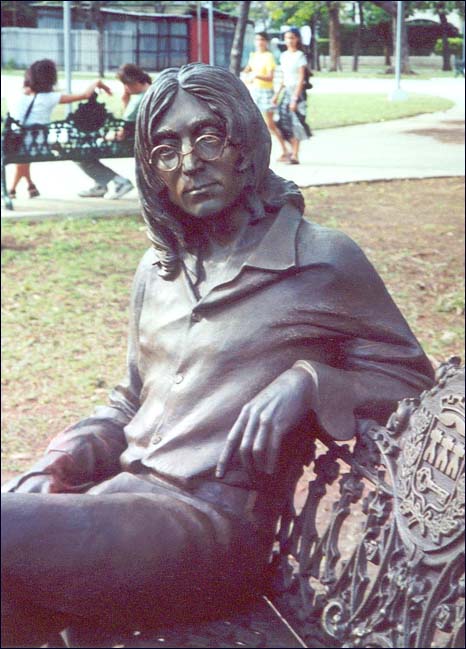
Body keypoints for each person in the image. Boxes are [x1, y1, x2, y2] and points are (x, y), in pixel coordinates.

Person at [1, 63, 434, 648]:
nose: (189, 162)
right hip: (124, 502)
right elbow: (130, 399)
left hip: (214, 532)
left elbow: (410, 377)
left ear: (247, 144)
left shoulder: (320, 259)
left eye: (208, 137)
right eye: (164, 148)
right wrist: (65, 455)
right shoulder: (158, 270)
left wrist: (310, 380)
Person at [8, 59, 112, 199]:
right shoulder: (52, 97)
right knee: (25, 153)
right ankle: (25, 186)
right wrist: (97, 82)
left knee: (22, 152)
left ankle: (15, 189)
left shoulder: (16, 96)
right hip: (41, 147)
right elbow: (85, 95)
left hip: (15, 145)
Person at [77, 63, 152, 200]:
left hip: (131, 143)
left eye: (124, 84)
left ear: (132, 82)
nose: (124, 87)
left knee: (80, 154)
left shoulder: (138, 100)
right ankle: (101, 183)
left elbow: (123, 131)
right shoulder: (153, 92)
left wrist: (109, 136)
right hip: (147, 140)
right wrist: (125, 99)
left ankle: (118, 182)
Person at [243, 32, 290, 162]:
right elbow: (248, 69)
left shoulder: (269, 57)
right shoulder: (253, 55)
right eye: (257, 39)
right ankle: (255, 154)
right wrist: (247, 74)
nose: (259, 42)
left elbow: (270, 77)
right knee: (252, 123)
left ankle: (285, 150)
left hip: (266, 92)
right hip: (255, 91)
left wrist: (256, 75)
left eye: (262, 40)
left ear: (266, 42)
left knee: (270, 125)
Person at [273, 27, 311, 165]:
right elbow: (284, 77)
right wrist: (277, 95)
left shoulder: (300, 56)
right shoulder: (283, 56)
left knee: (296, 123)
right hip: (286, 92)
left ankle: (295, 155)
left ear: (297, 39)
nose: (289, 40)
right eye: (287, 38)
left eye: (292, 37)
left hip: (298, 94)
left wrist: (295, 98)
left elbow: (301, 79)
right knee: (281, 122)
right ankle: (288, 151)